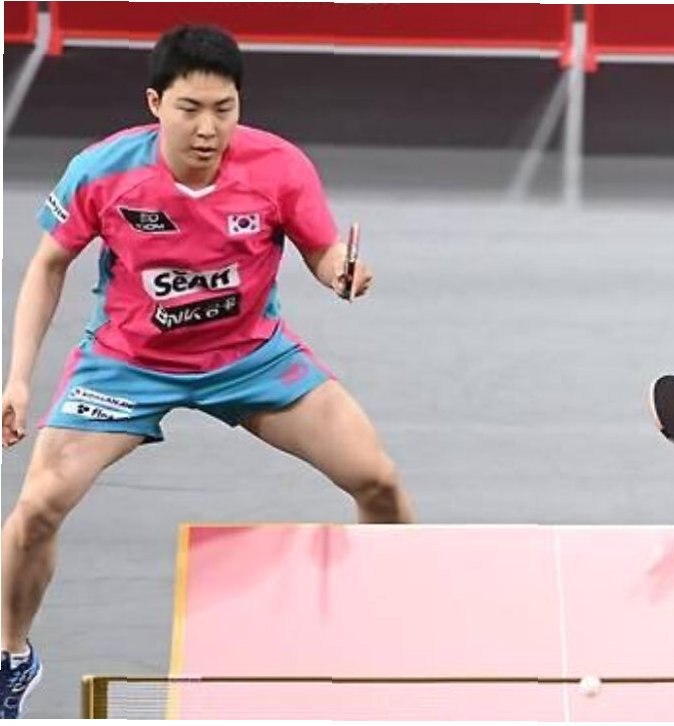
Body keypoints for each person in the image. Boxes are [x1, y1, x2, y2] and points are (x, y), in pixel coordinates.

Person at [0, 25, 415, 718]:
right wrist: (18, 378)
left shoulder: (279, 167)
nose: (207, 128)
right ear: (155, 103)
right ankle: (10, 655)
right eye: (190, 109)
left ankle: (389, 620)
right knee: (39, 505)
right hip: (127, 365)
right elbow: (47, 265)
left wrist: (341, 271)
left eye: (224, 109)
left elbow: (321, 250)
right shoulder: (102, 171)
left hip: (251, 357)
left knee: (379, 480)